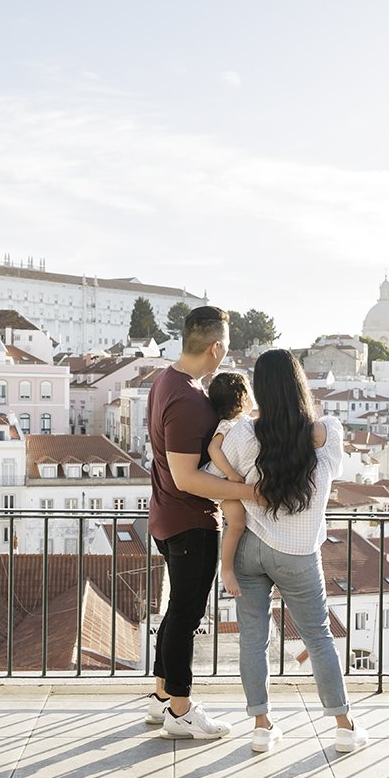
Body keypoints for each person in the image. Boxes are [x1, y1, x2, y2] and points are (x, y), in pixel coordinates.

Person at [211, 349, 368, 755]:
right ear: (300, 383)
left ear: (259, 389)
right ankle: (344, 727)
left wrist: (238, 481)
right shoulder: (328, 433)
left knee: (252, 639)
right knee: (318, 638)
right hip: (299, 554)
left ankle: (262, 727)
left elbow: (214, 480)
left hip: (248, 550)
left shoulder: (242, 435)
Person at [144, 305, 259, 740]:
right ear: (216, 347)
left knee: (176, 614)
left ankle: (162, 699)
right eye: (226, 347)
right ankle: (181, 711)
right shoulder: (190, 400)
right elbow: (186, 476)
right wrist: (249, 492)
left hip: (167, 516)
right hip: (190, 522)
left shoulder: (166, 382)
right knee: (186, 617)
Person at [200, 371, 254, 599]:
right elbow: (213, 449)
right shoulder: (228, 424)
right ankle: (227, 569)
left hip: (226, 481)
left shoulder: (242, 423)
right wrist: (230, 474)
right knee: (237, 524)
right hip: (219, 480)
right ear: (242, 396)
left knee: (240, 523)